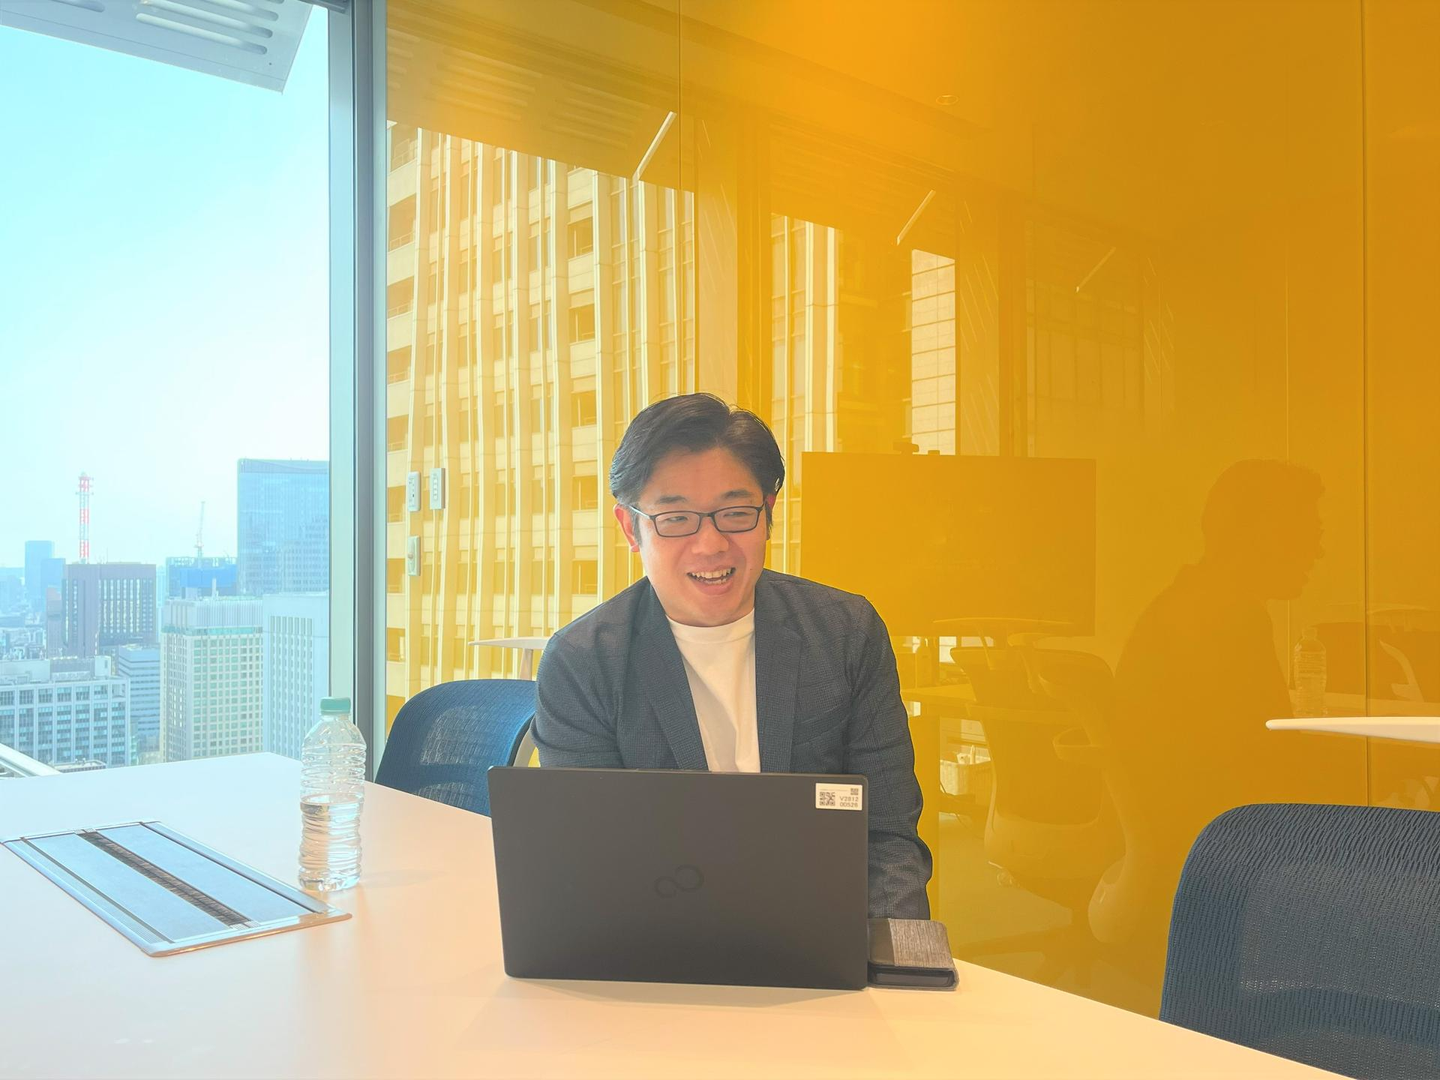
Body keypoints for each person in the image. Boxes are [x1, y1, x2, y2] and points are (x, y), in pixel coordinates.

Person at [533, 393, 932, 918]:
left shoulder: (843, 632)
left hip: (821, 925)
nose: (710, 544)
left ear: (768, 513)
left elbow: (887, 836)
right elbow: (590, 857)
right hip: (659, 932)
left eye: (736, 513)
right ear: (631, 527)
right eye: (676, 518)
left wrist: (899, 954)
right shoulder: (584, 662)